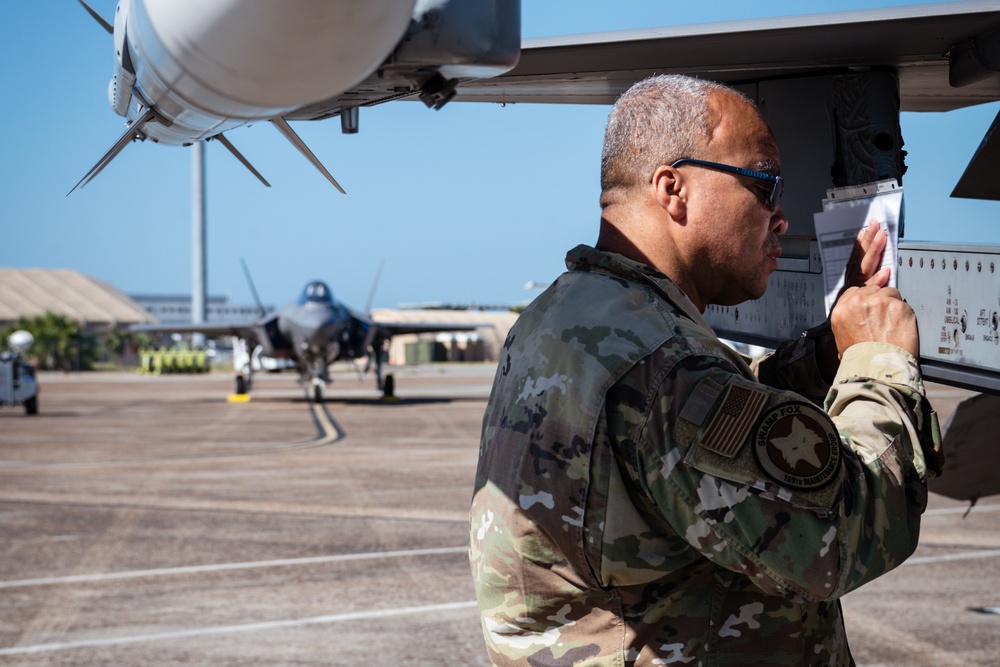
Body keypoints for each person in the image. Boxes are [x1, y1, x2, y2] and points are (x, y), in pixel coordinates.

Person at [468, 74, 942, 666]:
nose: (780, 216)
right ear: (674, 188)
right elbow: (845, 536)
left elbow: (712, 426)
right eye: (765, 185)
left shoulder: (568, 317)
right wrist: (880, 364)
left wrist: (825, 356)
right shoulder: (663, 365)